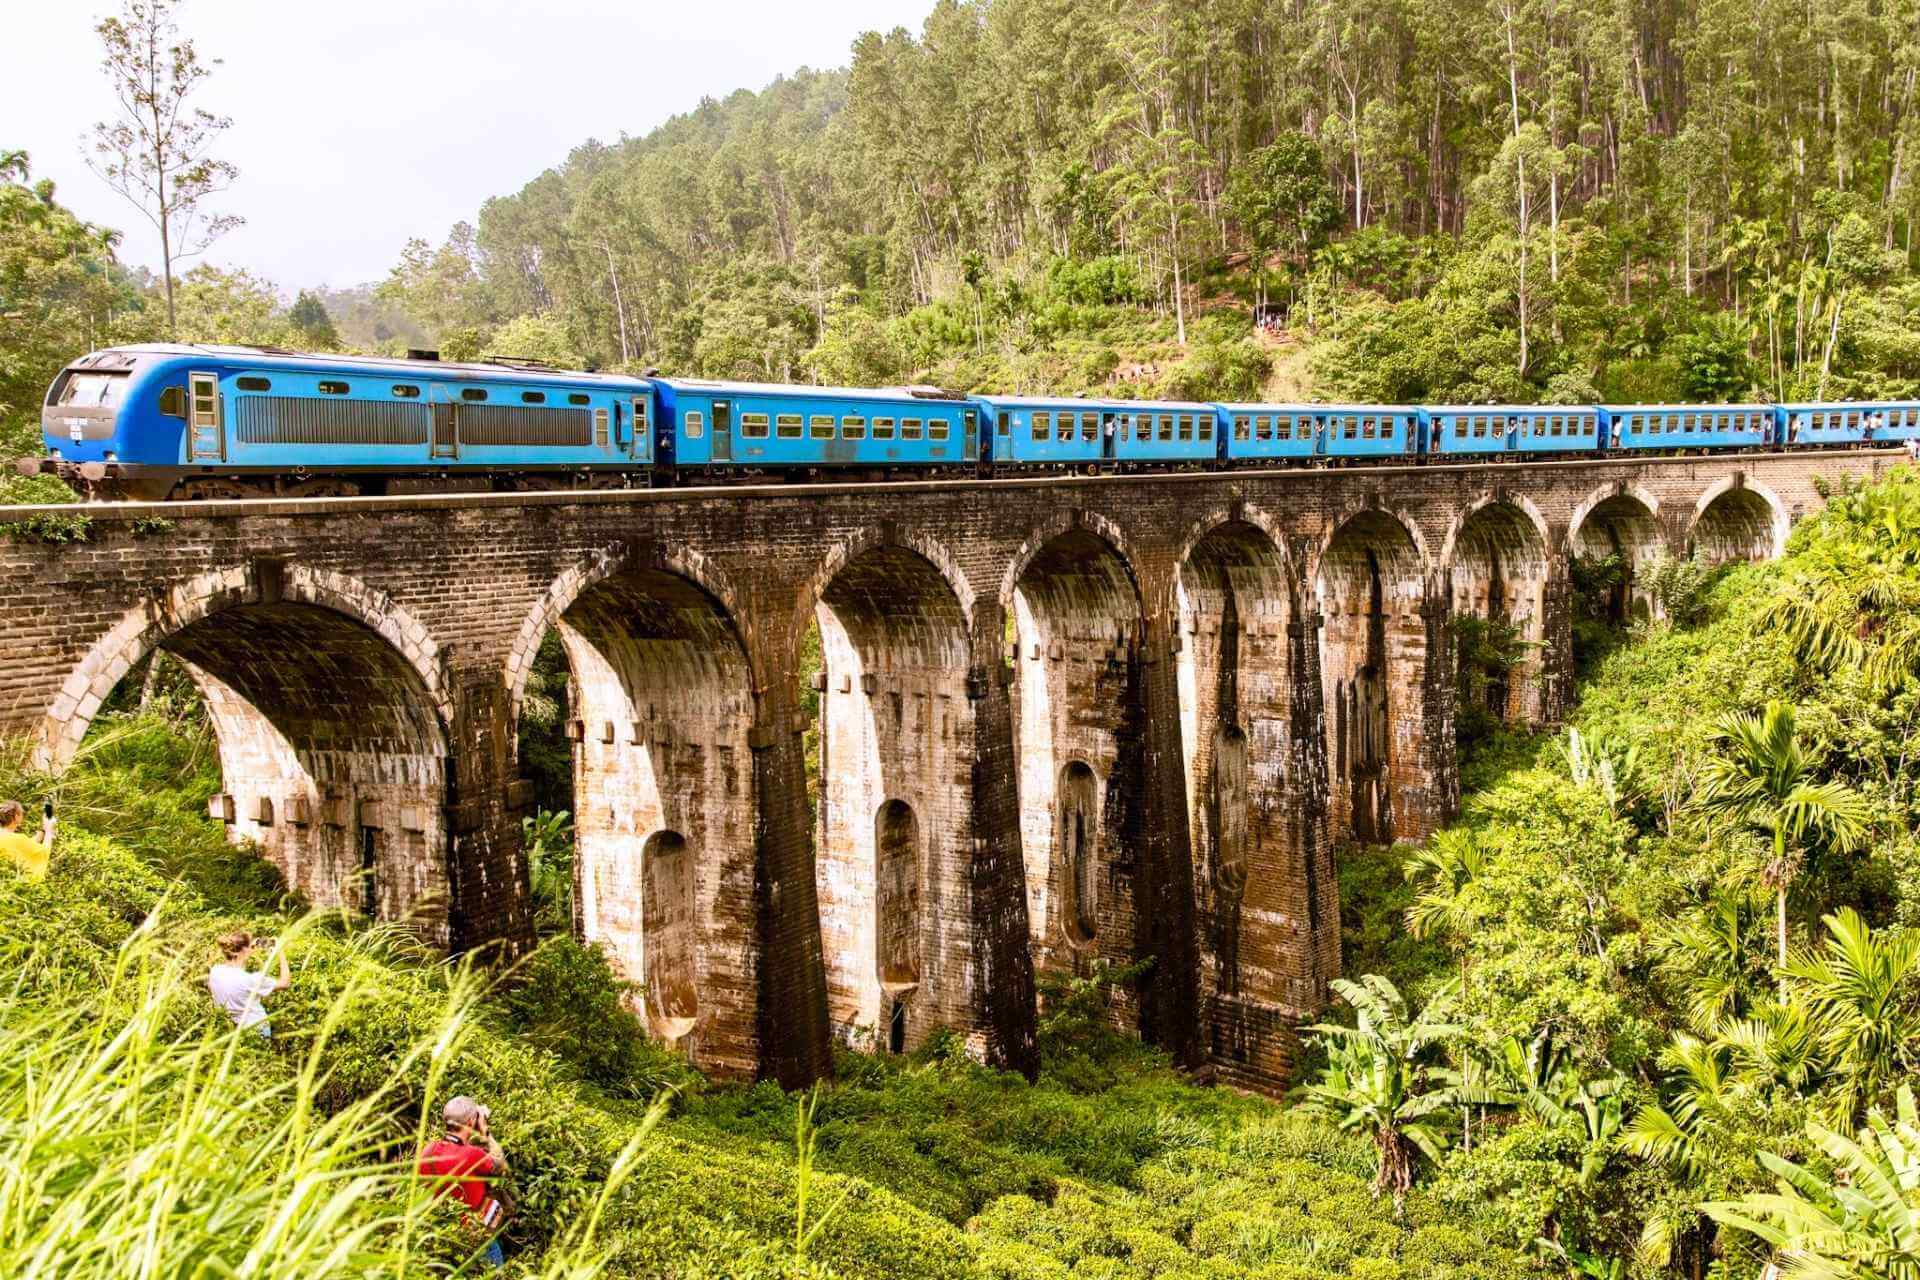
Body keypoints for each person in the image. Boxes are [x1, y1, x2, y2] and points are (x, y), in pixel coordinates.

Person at [419, 1096, 510, 1269]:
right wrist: (485, 1130)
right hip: (476, 1236)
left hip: (442, 1233)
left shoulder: (428, 1150)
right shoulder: (471, 1155)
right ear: (470, 1121)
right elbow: (499, 1163)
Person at [208, 930, 289, 1038]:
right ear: (244, 950)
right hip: (257, 1029)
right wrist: (280, 952)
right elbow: (285, 983)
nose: (253, 949)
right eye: (251, 946)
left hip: (230, 1030)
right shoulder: (250, 979)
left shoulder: (215, 971)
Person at [0, 799, 53, 881]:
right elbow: (43, 851)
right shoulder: (18, 839)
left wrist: (43, 830)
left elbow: (22, 845)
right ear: (16, 816)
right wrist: (49, 829)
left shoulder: (7, 837)